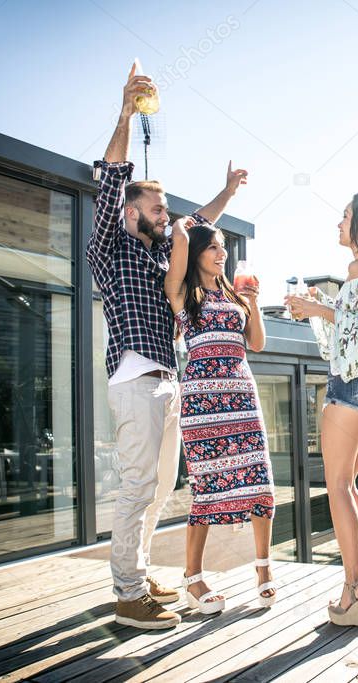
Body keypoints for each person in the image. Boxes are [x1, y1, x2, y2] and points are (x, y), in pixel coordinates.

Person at [89, 62, 249, 629]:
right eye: (157, 209)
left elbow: (195, 227)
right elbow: (110, 175)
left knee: (158, 489)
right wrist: (127, 113)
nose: (166, 215)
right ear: (130, 212)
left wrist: (226, 192)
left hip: (167, 380)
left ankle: (135, 572)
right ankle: (127, 593)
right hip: (135, 380)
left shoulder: (161, 257)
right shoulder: (109, 245)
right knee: (138, 486)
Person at [285, 194, 358, 628]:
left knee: (336, 486)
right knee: (348, 485)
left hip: (352, 384)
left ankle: (354, 587)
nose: (339, 223)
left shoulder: (357, 270)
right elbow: (354, 332)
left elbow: (347, 334)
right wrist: (317, 310)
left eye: (346, 216)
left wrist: (313, 307)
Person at [165, 204, 278, 615]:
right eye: (213, 248)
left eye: (223, 248)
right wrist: (186, 223)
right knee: (207, 489)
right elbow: (178, 239)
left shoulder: (233, 293)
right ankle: (193, 579)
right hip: (202, 402)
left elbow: (258, 343)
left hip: (241, 396)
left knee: (260, 483)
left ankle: (264, 569)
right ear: (196, 253)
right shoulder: (182, 292)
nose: (221, 254)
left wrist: (252, 300)